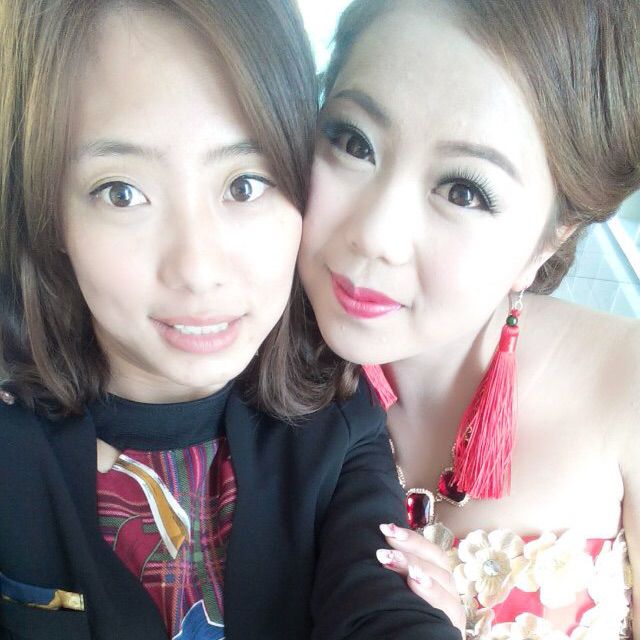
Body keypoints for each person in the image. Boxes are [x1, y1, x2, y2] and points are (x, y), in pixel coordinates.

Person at [0, 1, 462, 639]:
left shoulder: (335, 421)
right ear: (49, 213)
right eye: (121, 193)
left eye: (245, 185)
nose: (197, 269)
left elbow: (381, 606)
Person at [298, 0, 640, 637]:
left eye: (464, 191)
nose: (375, 235)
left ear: (549, 241)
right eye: (353, 142)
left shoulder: (630, 387)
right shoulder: (235, 369)